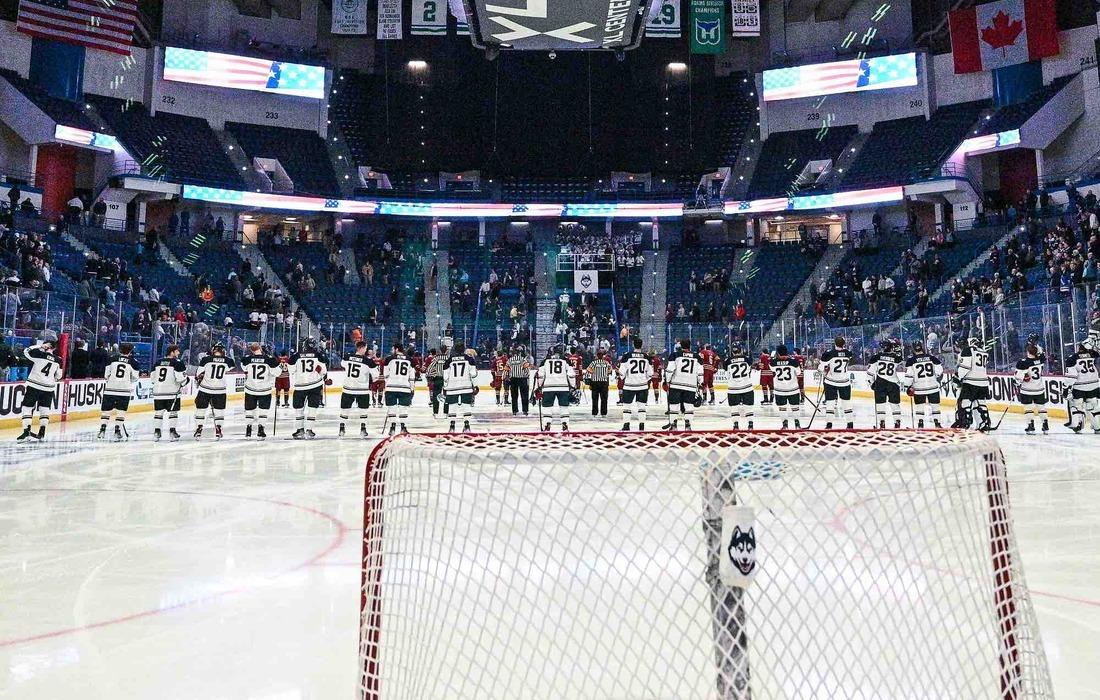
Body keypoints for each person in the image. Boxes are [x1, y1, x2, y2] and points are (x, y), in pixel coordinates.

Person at [16, 340, 63, 441]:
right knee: (44, 409)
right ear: (54, 348)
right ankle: (42, 433)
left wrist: (39, 346)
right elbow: (59, 376)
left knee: (27, 408)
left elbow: (26, 351)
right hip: (48, 388)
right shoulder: (58, 360)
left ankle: (26, 433)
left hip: (34, 385)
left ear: (47, 346)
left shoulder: (39, 354)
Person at [98, 342, 141, 440]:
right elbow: (135, 378)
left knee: (106, 411)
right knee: (121, 411)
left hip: (110, 389)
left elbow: (106, 375)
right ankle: (117, 431)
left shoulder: (111, 359)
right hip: (124, 390)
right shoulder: (134, 362)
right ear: (130, 351)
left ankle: (102, 430)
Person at [289, 337, 328, 440]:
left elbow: (291, 370)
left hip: (300, 386)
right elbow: (323, 371)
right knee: (312, 408)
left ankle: (299, 430)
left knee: (299, 409)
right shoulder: (319, 356)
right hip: (315, 385)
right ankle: (309, 430)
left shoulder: (295, 356)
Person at [241, 343, 281, 439]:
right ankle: (261, 429)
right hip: (265, 390)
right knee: (263, 411)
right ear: (260, 349)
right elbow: (278, 373)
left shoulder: (247, 359)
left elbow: (243, 367)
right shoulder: (269, 360)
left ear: (251, 350)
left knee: (249, 410)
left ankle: (248, 430)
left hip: (250, 389)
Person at [663, 339, 703, 431]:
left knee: (674, 406)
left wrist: (666, 381)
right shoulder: (697, 357)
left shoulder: (675, 355)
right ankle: (688, 426)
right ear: (690, 346)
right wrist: (701, 383)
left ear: (681, 346)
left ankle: (673, 426)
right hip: (690, 385)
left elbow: (669, 370)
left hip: (676, 385)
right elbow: (700, 373)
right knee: (689, 407)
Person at [901, 341, 944, 428]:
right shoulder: (932, 358)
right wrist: (934, 377)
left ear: (913, 349)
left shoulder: (911, 361)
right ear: (922, 347)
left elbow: (909, 376)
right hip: (933, 387)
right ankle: (937, 423)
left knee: (919, 407)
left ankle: (920, 424)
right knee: (935, 406)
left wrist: (907, 387)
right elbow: (939, 371)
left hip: (919, 389)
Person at [339, 341, 377, 437]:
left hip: (348, 388)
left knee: (345, 409)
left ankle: (342, 429)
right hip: (362, 390)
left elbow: (342, 364)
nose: (366, 350)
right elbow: (376, 375)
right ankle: (363, 429)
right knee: (363, 410)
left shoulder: (347, 358)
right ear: (362, 348)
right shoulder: (368, 362)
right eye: (365, 348)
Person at [1064, 331, 1100, 434]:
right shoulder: (1093, 355)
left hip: (1080, 386)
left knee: (1076, 405)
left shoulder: (1072, 358)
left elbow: (1071, 376)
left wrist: (1066, 387)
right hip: (1094, 384)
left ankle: (1078, 425)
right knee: (1093, 406)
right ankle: (1098, 427)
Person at [953, 337, 991, 431]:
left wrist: (957, 377)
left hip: (970, 381)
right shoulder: (984, 352)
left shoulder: (968, 350)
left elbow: (965, 367)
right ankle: (984, 423)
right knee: (980, 402)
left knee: (966, 402)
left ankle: (966, 422)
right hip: (983, 382)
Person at [194, 343, 231, 440]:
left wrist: (200, 378)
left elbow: (198, 373)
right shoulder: (228, 361)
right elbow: (231, 366)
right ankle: (218, 429)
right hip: (220, 390)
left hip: (205, 389)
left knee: (201, 410)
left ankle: (199, 429)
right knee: (219, 411)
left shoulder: (206, 360)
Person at [535, 346, 576, 432]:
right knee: (564, 406)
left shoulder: (545, 361)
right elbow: (571, 374)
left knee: (547, 407)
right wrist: (572, 386)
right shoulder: (565, 361)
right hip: (563, 387)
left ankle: (547, 424)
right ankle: (565, 424)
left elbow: (540, 375)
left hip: (548, 388)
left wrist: (539, 387)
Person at [151, 345, 187, 442]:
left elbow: (152, 379)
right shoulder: (177, 363)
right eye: (177, 351)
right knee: (173, 412)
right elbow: (181, 379)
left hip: (158, 391)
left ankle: (157, 432)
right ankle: (172, 432)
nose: (178, 353)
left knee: (159, 412)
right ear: (172, 352)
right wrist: (185, 382)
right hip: (172, 392)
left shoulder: (157, 362)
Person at [867, 339, 904, 430]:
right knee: (895, 404)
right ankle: (897, 423)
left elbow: (870, 372)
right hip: (893, 383)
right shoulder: (896, 357)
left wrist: (871, 383)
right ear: (891, 347)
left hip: (881, 383)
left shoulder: (876, 357)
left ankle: (882, 423)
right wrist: (898, 347)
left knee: (880, 404)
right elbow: (900, 357)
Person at [819, 336, 854, 429]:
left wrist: (825, 372)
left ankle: (829, 424)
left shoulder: (829, 353)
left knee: (830, 403)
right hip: (844, 381)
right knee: (846, 403)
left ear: (834, 343)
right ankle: (850, 424)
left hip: (831, 382)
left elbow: (820, 368)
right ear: (844, 344)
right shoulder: (848, 353)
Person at [617, 338, 652, 431]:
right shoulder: (646, 356)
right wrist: (644, 379)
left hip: (629, 385)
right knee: (642, 407)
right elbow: (650, 373)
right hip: (643, 386)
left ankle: (626, 425)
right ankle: (641, 426)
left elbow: (621, 373)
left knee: (627, 406)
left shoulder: (627, 356)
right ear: (642, 345)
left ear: (633, 345)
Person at [1014, 342, 1049, 435]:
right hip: (1039, 388)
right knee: (1041, 407)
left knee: (1028, 408)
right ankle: (1045, 424)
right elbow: (1042, 353)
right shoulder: (1041, 360)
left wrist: (1018, 382)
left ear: (1027, 352)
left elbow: (1018, 377)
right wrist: (1036, 345)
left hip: (1027, 390)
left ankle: (1031, 426)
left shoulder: (1023, 362)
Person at [441, 342, 476, 433]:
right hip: (466, 386)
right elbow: (473, 374)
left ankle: (452, 427)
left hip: (452, 387)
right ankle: (467, 426)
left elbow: (445, 377)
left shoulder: (449, 360)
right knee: (466, 406)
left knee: (452, 406)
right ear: (464, 349)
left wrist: (445, 386)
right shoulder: (469, 359)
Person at [381, 344, 415, 435]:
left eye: (393, 348)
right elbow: (412, 376)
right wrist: (412, 388)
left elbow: (386, 375)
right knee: (403, 408)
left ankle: (392, 428)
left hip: (391, 387)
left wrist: (388, 383)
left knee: (392, 408)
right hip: (404, 387)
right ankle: (403, 427)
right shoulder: (409, 359)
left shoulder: (389, 359)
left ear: (396, 349)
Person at [724, 343, 755, 431]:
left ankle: (736, 426)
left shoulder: (728, 361)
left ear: (732, 352)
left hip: (733, 388)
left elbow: (726, 371)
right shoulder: (746, 359)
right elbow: (750, 366)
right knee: (749, 407)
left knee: (734, 408)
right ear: (741, 350)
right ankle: (750, 426)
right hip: (747, 387)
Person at [771, 345, 803, 430]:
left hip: (779, 390)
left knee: (782, 408)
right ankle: (797, 424)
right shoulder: (794, 362)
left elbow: (772, 371)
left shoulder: (773, 362)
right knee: (795, 408)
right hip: (793, 389)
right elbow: (799, 373)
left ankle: (785, 425)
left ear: (777, 352)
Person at [585, 350, 612, 418]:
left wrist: (593, 373)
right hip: (604, 382)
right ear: (602, 356)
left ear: (597, 356)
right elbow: (610, 369)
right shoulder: (606, 362)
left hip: (595, 382)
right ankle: (603, 413)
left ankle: (594, 413)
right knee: (604, 399)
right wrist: (606, 373)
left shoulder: (594, 362)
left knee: (595, 398)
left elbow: (588, 369)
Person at [506, 345, 532, 416]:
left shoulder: (510, 360)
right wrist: (527, 376)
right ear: (519, 353)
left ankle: (514, 410)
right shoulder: (523, 360)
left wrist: (507, 378)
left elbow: (506, 370)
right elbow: (527, 370)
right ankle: (525, 410)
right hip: (522, 379)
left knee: (514, 396)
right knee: (524, 395)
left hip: (513, 379)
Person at [423, 348, 445, 417]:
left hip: (437, 378)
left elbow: (429, 368)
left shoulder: (436, 358)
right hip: (446, 379)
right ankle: (446, 412)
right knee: (446, 395)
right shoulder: (448, 358)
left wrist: (429, 375)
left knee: (436, 395)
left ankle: (435, 412)